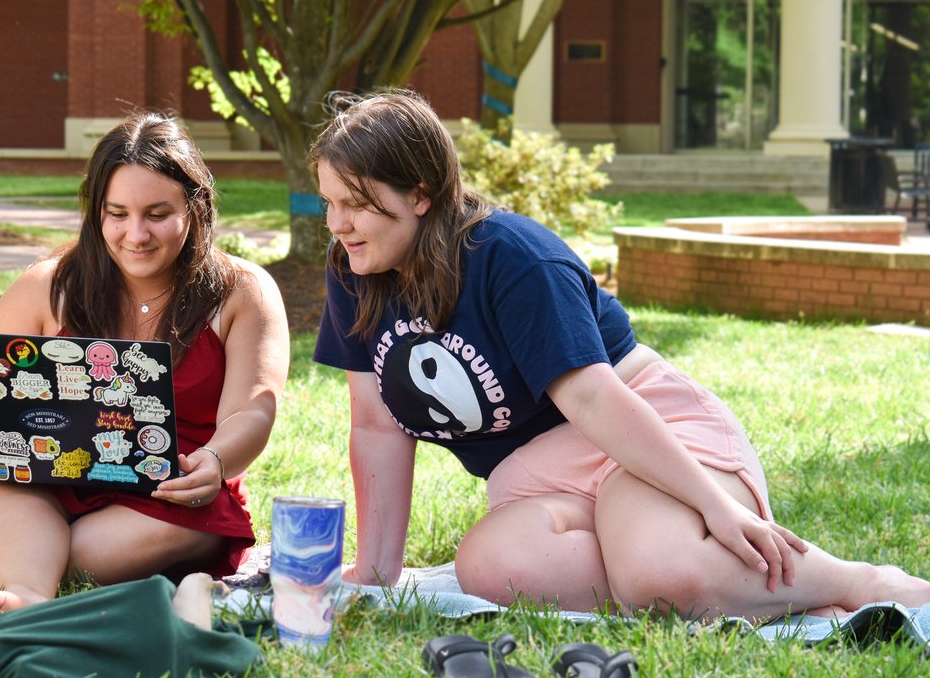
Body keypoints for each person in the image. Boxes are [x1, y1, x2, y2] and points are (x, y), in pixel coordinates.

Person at [310, 89, 930, 621]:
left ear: (420, 195)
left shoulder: (513, 258)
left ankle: (853, 583)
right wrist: (374, 571)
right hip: (540, 478)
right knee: (493, 569)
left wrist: (713, 507)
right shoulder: (355, 271)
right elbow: (376, 422)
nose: (338, 223)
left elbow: (591, 397)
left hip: (644, 433)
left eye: (357, 203)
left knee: (661, 575)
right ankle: (690, 575)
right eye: (329, 203)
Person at [0, 112, 289, 615]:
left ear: (196, 205)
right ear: (96, 211)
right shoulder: (47, 286)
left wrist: (219, 460)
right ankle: (24, 600)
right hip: (46, 483)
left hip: (172, 499)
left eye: (157, 214)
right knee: (8, 493)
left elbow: (253, 410)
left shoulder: (243, 290)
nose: (135, 234)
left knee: (162, 532)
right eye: (117, 214)